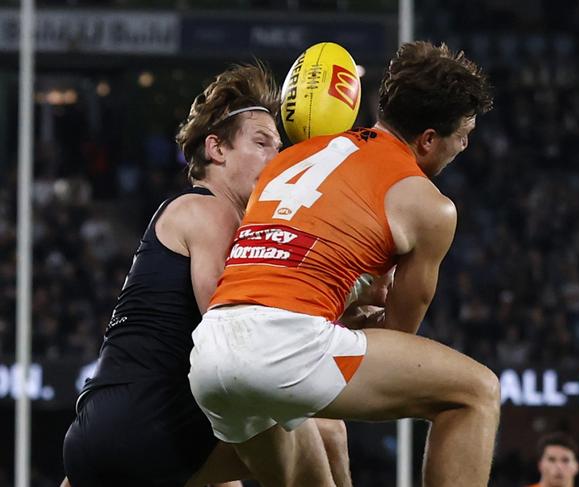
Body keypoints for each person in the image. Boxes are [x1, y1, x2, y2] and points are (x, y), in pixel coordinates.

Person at [189, 41, 500, 487]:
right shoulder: (431, 208)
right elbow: (396, 339)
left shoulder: (290, 157)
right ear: (429, 139)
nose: (466, 143)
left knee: (313, 463)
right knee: (475, 393)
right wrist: (362, 317)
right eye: (463, 132)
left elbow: (291, 261)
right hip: (284, 348)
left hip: (212, 352)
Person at [62, 63, 350, 487]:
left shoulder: (195, 215)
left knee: (232, 453)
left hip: (104, 426)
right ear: (216, 149)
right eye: (262, 142)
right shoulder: (210, 210)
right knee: (325, 431)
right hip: (147, 421)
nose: (278, 157)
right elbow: (233, 329)